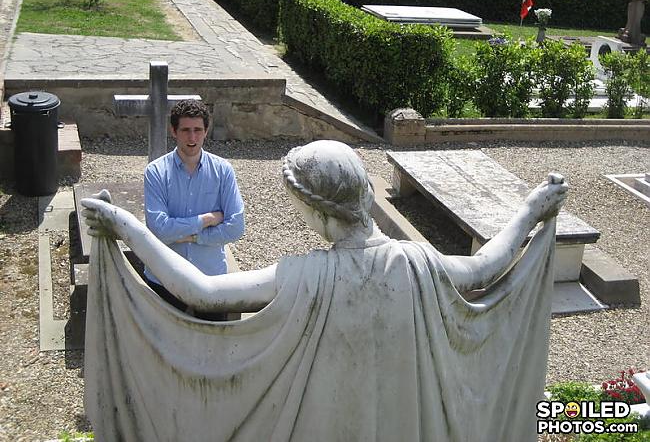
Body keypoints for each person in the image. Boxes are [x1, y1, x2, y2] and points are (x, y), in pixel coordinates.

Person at [82, 140, 568, 441]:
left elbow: (203, 292)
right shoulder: (417, 262)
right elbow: (488, 265)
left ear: (317, 213)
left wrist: (126, 227)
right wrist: (531, 209)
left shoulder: (306, 276)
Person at [143, 99, 245, 315]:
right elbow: (159, 229)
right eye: (186, 130)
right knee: (163, 346)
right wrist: (207, 220)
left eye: (198, 130)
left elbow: (236, 227)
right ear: (174, 131)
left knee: (213, 346)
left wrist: (192, 237)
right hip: (164, 279)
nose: (192, 138)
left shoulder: (224, 171)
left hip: (211, 280)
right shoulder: (155, 173)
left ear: (206, 131)